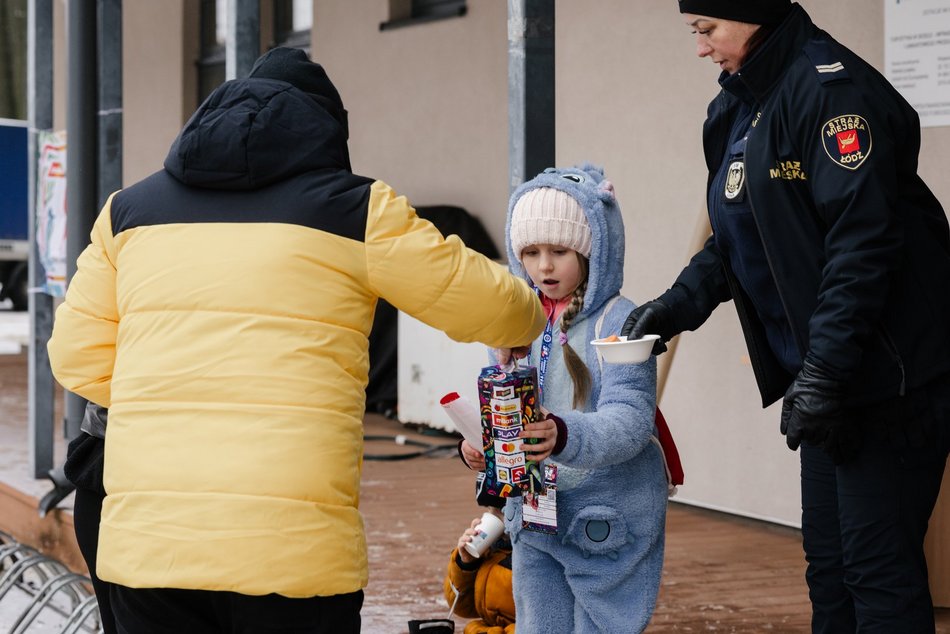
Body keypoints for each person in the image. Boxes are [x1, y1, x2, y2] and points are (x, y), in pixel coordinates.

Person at [46, 46, 545, 634]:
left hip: (151, 549)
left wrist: (175, 391)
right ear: (325, 133)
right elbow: (502, 308)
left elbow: (75, 357)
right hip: (292, 556)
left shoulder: (128, 213)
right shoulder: (356, 209)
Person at [622, 1, 950, 631]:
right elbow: (741, 238)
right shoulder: (740, 106)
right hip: (827, 386)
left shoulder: (832, 94)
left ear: (751, 14)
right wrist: (676, 306)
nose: (701, 48)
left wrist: (824, 372)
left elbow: (862, 247)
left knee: (876, 574)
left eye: (706, 29)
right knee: (829, 570)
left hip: (886, 381)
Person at [463, 164, 668, 632]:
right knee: (538, 623)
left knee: (603, 624)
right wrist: (481, 445)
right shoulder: (518, 319)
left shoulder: (621, 320)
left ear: (593, 250)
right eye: (530, 252)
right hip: (535, 510)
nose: (544, 266)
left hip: (606, 512)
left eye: (559, 250)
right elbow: (500, 406)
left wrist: (563, 434)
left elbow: (631, 419)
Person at [442, 504, 515, 634]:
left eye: (502, 511)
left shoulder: (542, 557)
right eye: (489, 510)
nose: (493, 516)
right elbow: (462, 607)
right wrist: (466, 563)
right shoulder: (491, 552)